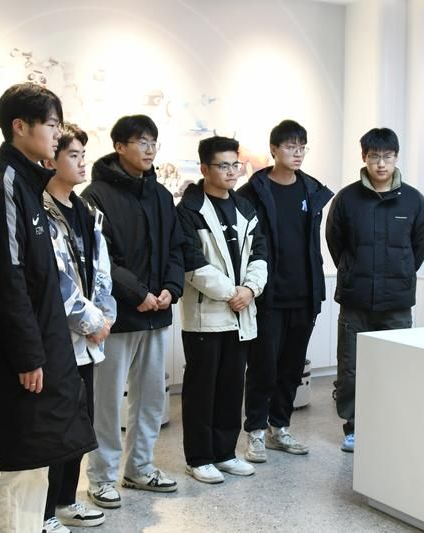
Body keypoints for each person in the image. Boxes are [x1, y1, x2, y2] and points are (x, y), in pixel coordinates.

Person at [0, 83, 97, 532]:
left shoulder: (28, 182)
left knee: (39, 461)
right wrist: (27, 355)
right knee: (20, 464)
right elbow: (6, 278)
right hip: (25, 358)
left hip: (46, 345)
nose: (58, 134)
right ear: (19, 127)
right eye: (52, 124)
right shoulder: (3, 184)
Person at [82, 115, 184, 508]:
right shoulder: (95, 195)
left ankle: (140, 467)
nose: (149, 149)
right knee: (107, 402)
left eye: (153, 142)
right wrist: (137, 293)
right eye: (141, 141)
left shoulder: (161, 196)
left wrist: (171, 288)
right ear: (119, 146)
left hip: (157, 312)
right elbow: (101, 258)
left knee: (152, 397)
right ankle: (102, 477)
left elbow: (175, 247)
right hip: (117, 317)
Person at [325, 127, 424, 453]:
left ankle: (389, 426)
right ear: (364, 158)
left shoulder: (413, 200)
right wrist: (353, 272)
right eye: (374, 157)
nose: (381, 164)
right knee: (351, 368)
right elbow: (335, 242)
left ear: (396, 157)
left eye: (387, 157)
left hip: (396, 303)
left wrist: (399, 273)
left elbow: (420, 246)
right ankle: (353, 427)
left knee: (394, 367)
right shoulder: (346, 199)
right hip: (355, 301)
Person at [239, 120, 333, 462]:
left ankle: (280, 428)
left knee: (292, 368)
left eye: (302, 147)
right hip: (268, 295)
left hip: (304, 294)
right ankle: (255, 431)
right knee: (263, 367)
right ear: (274, 150)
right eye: (291, 146)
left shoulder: (311, 190)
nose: (297, 153)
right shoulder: (252, 192)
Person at [177, 136, 267, 483]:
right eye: (223, 165)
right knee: (202, 391)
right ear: (204, 169)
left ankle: (225, 452)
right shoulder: (189, 209)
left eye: (235, 165)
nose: (231, 172)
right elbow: (191, 263)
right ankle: (199, 458)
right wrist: (233, 292)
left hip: (240, 313)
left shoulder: (245, 208)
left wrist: (250, 289)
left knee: (231, 387)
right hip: (206, 316)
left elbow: (260, 253)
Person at [41, 123, 116, 532]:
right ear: (51, 160)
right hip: (61, 337)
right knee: (56, 425)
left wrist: (105, 316)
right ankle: (45, 512)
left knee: (79, 421)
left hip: (90, 337)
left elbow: (102, 269)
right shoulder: (42, 210)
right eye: (73, 155)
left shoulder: (87, 211)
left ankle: (68, 500)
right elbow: (56, 279)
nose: (82, 162)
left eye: (84, 155)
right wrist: (91, 321)